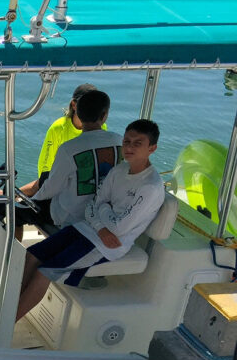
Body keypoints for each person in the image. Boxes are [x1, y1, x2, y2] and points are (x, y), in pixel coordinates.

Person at [16, 119, 164, 321]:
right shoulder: (119, 170)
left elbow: (119, 228)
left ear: (152, 148)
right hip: (87, 229)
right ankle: (9, 307)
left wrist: (102, 213)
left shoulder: (150, 187)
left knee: (44, 272)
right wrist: (103, 215)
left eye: (137, 143)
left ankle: (8, 323)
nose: (129, 147)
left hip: (106, 244)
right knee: (31, 255)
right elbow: (94, 204)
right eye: (127, 141)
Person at [16, 90, 122, 237]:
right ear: (104, 116)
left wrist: (31, 200)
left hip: (71, 217)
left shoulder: (68, 149)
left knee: (15, 213)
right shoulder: (119, 142)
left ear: (77, 110)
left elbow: (51, 189)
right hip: (104, 211)